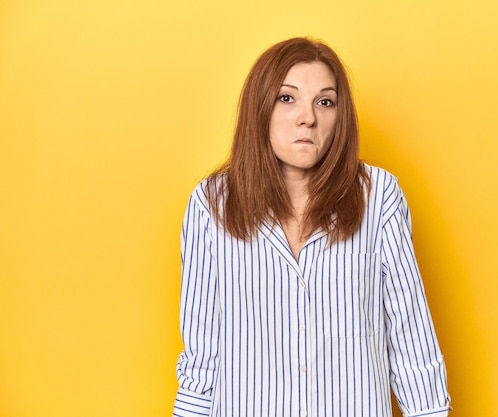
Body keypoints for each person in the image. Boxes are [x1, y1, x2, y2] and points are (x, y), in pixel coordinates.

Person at [172, 37, 451, 417]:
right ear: (260, 108)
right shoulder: (211, 204)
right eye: (287, 98)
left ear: (340, 116)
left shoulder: (379, 196)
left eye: (325, 101)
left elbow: (410, 337)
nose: (308, 117)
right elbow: (201, 356)